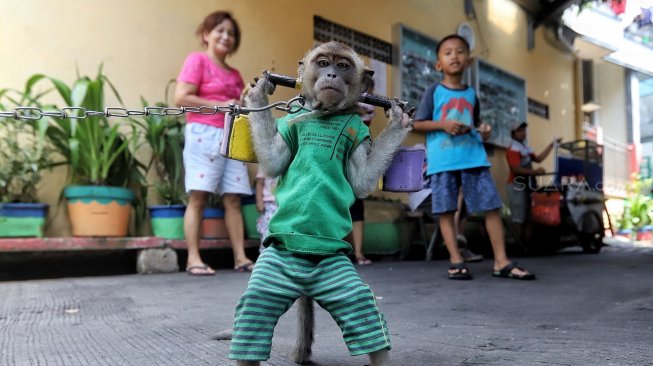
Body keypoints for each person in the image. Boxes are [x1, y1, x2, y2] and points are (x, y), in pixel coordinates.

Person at [412, 34, 535, 281]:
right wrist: (443, 124)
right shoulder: (433, 91)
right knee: (446, 210)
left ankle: (501, 261)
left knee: (491, 207)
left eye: (459, 51)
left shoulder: (471, 94)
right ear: (438, 64)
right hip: (443, 161)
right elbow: (417, 123)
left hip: (474, 158)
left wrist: (484, 129)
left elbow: (476, 123)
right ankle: (456, 260)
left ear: (468, 60)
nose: (454, 56)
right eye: (447, 53)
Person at [174, 11, 254, 276]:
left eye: (231, 33)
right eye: (220, 30)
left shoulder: (235, 73)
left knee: (233, 199)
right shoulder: (196, 60)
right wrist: (219, 105)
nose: (226, 36)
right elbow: (181, 97)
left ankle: (241, 257)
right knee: (198, 196)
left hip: (231, 138)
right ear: (206, 34)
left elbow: (240, 107)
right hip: (203, 134)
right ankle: (193, 259)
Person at [506, 121, 560, 245]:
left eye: (524, 130)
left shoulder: (524, 148)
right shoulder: (513, 148)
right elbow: (515, 169)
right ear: (513, 134)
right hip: (516, 185)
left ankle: (526, 243)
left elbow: (539, 158)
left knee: (529, 215)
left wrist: (552, 145)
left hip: (527, 185)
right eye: (520, 131)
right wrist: (534, 171)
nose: (523, 133)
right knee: (518, 217)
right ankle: (519, 245)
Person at [344, 80, 376, 265]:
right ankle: (353, 252)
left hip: (355, 158)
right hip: (346, 156)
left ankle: (358, 252)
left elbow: (360, 111)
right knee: (348, 206)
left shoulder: (368, 106)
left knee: (355, 207)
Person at [255, 167, 278, 251]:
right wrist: (259, 201)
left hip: (283, 203)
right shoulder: (265, 162)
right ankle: (264, 253)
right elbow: (260, 182)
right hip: (268, 203)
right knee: (266, 230)